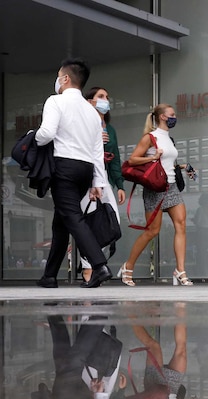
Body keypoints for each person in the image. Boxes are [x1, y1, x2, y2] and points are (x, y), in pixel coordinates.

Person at [35, 58, 112, 289]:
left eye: (59, 76)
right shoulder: (91, 112)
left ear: (66, 78)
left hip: (64, 167)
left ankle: (99, 266)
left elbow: (47, 133)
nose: (57, 80)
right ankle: (49, 276)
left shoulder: (55, 101)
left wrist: (33, 137)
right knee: (62, 221)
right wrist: (98, 181)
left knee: (72, 217)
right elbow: (98, 149)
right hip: (85, 170)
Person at [117, 104, 193, 286]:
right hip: (155, 187)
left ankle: (180, 270)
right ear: (162, 117)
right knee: (152, 231)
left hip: (172, 185)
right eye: (172, 114)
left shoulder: (169, 139)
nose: (175, 117)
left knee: (181, 224)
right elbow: (132, 160)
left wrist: (184, 167)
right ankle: (128, 266)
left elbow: (168, 163)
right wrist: (152, 157)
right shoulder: (150, 138)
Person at [79, 86, 124, 285]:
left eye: (107, 96)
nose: (106, 100)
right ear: (89, 101)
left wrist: (120, 184)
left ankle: (99, 264)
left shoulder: (110, 129)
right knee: (89, 223)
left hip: (104, 178)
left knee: (111, 223)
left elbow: (115, 159)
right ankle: (88, 268)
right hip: (87, 177)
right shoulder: (83, 124)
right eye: (101, 96)